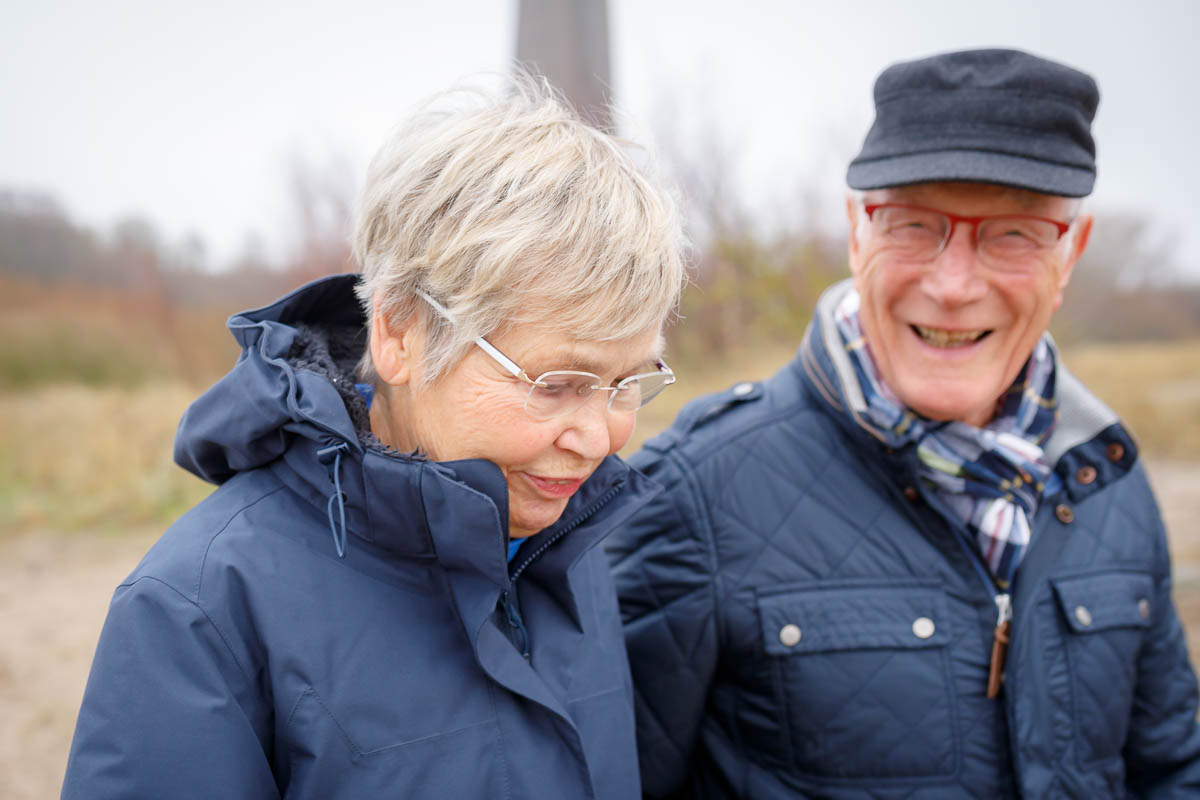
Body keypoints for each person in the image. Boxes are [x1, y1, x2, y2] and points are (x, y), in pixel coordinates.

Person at [61, 75, 685, 798]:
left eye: (626, 382)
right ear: (399, 333)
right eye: (556, 383)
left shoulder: (571, 539)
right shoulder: (201, 611)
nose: (598, 439)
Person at [610, 48, 1200, 798]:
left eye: (1013, 234)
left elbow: (1171, 770)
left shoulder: (1105, 479)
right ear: (857, 233)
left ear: (1070, 254)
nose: (953, 285)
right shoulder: (695, 494)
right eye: (914, 225)